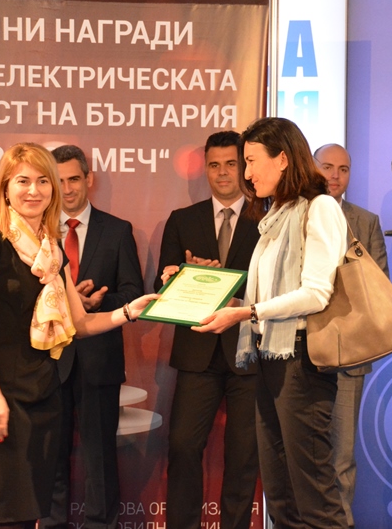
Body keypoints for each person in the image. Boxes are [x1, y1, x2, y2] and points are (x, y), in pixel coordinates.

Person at [0, 142, 157, 528]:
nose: (33, 190)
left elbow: (80, 324)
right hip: (4, 397)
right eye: (22, 181)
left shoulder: (52, 252)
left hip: (45, 395)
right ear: (5, 189)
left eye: (42, 181)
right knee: (9, 518)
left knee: (33, 512)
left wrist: (127, 312)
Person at [191, 117, 349, 528]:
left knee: (313, 493)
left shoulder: (320, 208)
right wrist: (221, 301)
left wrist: (248, 312)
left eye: (250, 161)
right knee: (280, 494)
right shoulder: (278, 214)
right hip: (269, 357)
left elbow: (316, 293)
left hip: (301, 362)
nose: (245, 173)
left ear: (282, 159)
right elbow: (265, 298)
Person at [155, 130, 261, 529]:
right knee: (183, 446)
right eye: (214, 165)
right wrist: (180, 276)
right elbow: (162, 286)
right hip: (197, 352)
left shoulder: (266, 219)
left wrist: (227, 286)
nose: (222, 173)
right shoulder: (183, 220)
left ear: (244, 166)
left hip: (249, 352)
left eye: (231, 164)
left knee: (243, 455)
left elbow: (277, 286)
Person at [40, 145, 143, 529]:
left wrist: (96, 302)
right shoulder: (37, 231)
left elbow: (133, 293)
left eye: (74, 179)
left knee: (100, 458)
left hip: (99, 361)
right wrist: (65, 303)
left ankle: (102, 524)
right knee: (51, 455)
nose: (67, 189)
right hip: (49, 360)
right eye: (59, 181)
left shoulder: (117, 230)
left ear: (89, 179)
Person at [314, 143, 389, 527]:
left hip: (349, 353)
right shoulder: (295, 214)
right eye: (327, 167)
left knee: (342, 456)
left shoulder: (366, 221)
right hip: (301, 351)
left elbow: (379, 289)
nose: (335, 175)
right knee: (301, 454)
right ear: (312, 168)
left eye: (343, 169)